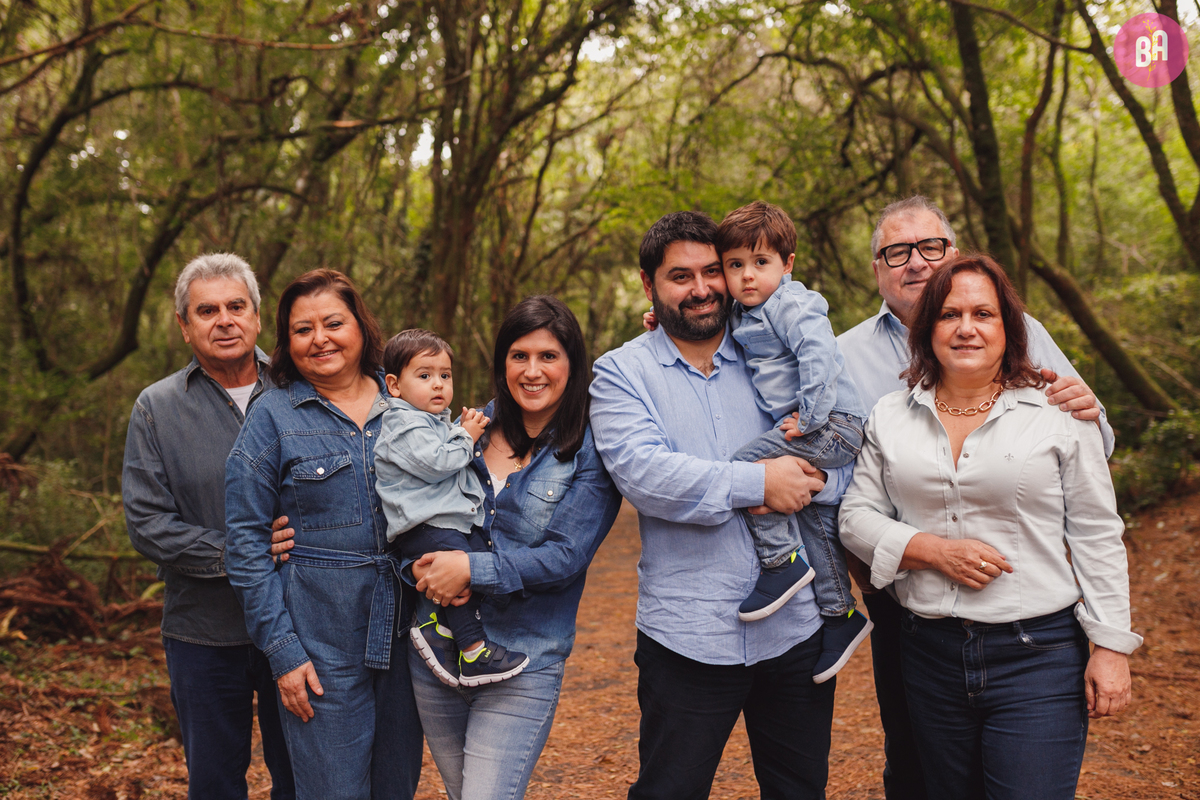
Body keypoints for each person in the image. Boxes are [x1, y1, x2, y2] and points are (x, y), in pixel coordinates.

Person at [836, 196, 1115, 800]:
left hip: (1032, 631)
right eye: (896, 251)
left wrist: (1112, 643)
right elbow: (850, 501)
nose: (915, 262)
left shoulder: (1034, 362)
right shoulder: (844, 362)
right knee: (915, 770)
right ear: (877, 268)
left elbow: (1093, 507)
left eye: (930, 247)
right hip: (910, 615)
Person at [590, 211, 853, 800]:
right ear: (648, 283)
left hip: (795, 631)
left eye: (714, 271)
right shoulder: (620, 374)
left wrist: (809, 483)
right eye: (680, 276)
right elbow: (645, 476)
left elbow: (836, 461)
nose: (703, 287)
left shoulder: (775, 357)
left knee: (799, 790)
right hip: (687, 635)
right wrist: (761, 483)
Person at [402, 295, 622, 800]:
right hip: (435, 653)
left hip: (525, 658)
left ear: (573, 364)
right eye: (519, 356)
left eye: (549, 356)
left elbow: (566, 557)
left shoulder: (591, 447)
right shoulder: (463, 430)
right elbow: (403, 499)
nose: (533, 371)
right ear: (502, 363)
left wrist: (470, 570)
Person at [223, 269, 423, 800]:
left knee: (396, 787)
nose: (320, 339)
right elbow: (245, 545)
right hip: (319, 646)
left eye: (333, 323)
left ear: (361, 326)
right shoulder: (273, 416)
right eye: (302, 329)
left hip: (407, 634)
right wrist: (283, 652)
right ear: (286, 343)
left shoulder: (407, 400)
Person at [123, 253, 295, 800]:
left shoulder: (300, 391)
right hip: (202, 632)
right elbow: (148, 524)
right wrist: (245, 552)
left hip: (299, 626)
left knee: (302, 777)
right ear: (184, 325)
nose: (224, 320)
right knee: (215, 783)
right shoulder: (157, 407)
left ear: (257, 315)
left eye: (236, 306)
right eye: (207, 310)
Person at [374, 328, 529, 687]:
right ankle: (473, 650)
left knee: (475, 566)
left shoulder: (430, 421)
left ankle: (442, 629)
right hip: (426, 526)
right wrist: (466, 435)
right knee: (462, 575)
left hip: (443, 523)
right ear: (395, 386)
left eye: (445, 375)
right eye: (425, 376)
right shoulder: (403, 424)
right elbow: (437, 463)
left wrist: (458, 429)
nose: (438, 385)